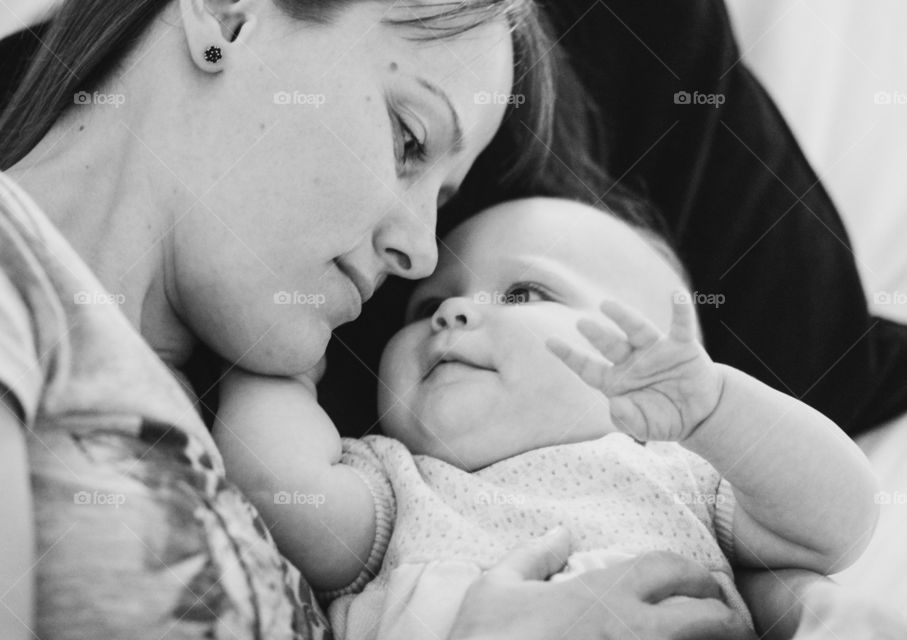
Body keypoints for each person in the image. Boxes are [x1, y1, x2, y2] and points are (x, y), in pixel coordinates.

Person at [0, 0, 780, 638]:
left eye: (441, 200)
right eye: (410, 140)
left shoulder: (257, 439)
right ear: (227, 14)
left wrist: (791, 605)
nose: (419, 254)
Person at [214, 197, 892, 639]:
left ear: (649, 352)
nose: (453, 313)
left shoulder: (678, 471)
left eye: (522, 292)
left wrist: (714, 409)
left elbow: (834, 524)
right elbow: (281, 495)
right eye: (425, 307)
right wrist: (280, 355)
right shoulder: (396, 480)